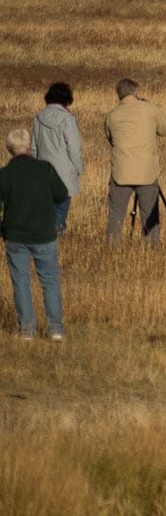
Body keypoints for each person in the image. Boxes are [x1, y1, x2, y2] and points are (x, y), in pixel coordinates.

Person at [0, 129, 69, 340]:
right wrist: (57, 222)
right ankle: (55, 329)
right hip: (44, 234)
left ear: (9, 150)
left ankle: (27, 330)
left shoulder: (4, 174)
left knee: (20, 282)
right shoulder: (45, 169)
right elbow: (62, 195)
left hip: (15, 236)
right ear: (29, 147)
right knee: (49, 281)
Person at [103, 77, 166, 244]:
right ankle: (152, 249)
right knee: (149, 214)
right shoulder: (149, 109)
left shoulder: (112, 115)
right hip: (147, 171)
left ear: (119, 95)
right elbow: (165, 130)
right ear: (135, 92)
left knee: (116, 213)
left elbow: (110, 139)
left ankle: (112, 249)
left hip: (121, 172)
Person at [31, 82, 83, 234]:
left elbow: (34, 148)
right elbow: (74, 148)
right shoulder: (68, 119)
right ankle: (56, 240)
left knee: (46, 213)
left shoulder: (38, 117)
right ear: (67, 99)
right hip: (64, 173)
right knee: (60, 213)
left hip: (43, 171)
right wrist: (78, 169)